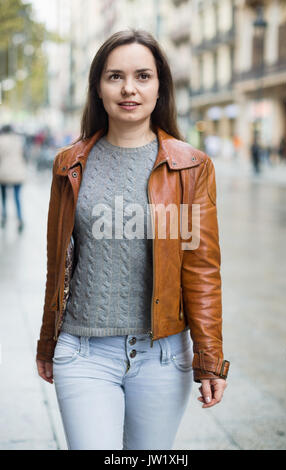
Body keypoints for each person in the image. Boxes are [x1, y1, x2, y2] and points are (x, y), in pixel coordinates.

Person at [36, 29, 230, 450]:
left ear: (160, 87)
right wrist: (46, 340)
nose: (129, 88)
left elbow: (201, 269)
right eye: (115, 77)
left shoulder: (190, 167)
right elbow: (58, 264)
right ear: (98, 88)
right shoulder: (68, 165)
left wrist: (210, 359)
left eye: (143, 76)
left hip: (163, 356)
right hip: (83, 352)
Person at [0, 124, 26, 232]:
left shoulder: (1, 141)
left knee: (4, 197)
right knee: (17, 197)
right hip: (17, 172)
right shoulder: (19, 140)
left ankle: (4, 217)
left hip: (4, 172)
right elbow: (24, 155)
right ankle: (20, 219)